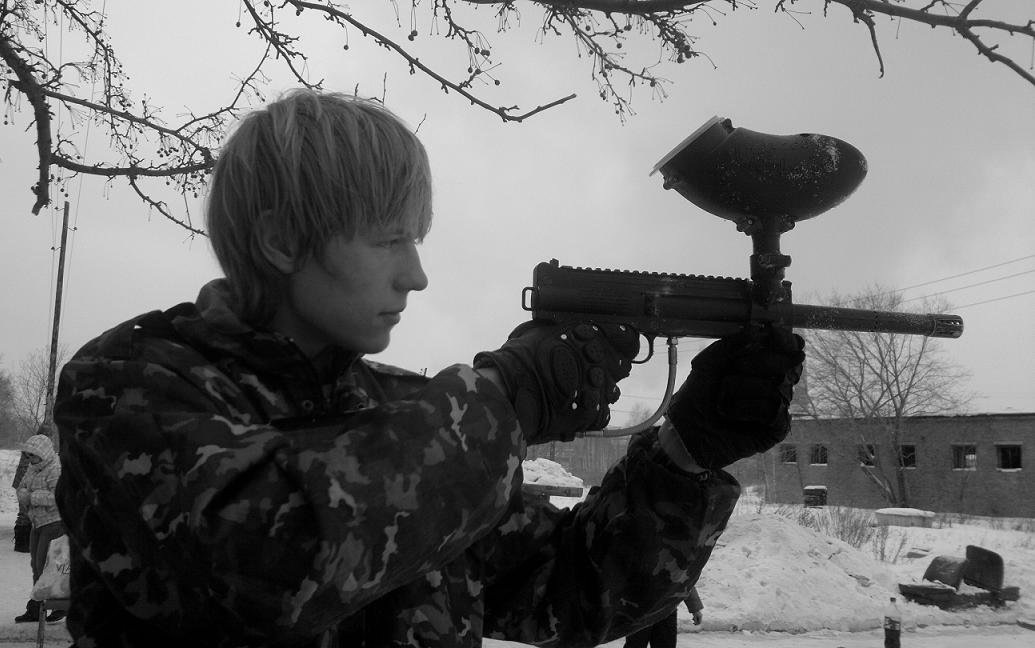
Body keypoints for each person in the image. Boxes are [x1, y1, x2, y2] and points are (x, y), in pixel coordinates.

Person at [54, 88, 804, 647]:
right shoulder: (128, 386)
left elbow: (577, 590)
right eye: (389, 240)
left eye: (416, 241)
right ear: (282, 241)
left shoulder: (401, 417)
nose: (415, 276)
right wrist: (502, 400)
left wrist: (687, 454)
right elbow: (275, 565)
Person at [14, 430, 66, 624]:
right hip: (37, 523)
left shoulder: (55, 468)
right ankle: (37, 607)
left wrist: (32, 497)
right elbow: (21, 488)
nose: (30, 459)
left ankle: (57, 605)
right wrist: (25, 495)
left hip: (54, 523)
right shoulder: (32, 468)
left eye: (33, 455)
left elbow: (58, 496)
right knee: (36, 566)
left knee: (46, 565)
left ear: (43, 453)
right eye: (28, 455)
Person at [623, 587, 703, 648]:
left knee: (665, 645)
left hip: (667, 610)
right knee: (635, 645)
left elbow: (685, 578)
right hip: (640, 610)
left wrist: (695, 608)